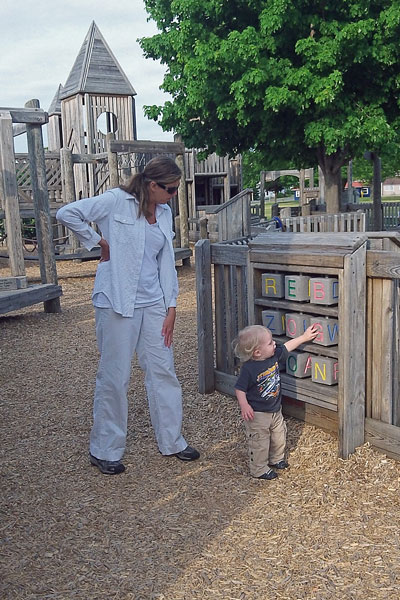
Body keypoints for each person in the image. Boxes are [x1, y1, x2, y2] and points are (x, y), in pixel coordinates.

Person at [56, 156, 199, 475]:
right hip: (116, 301)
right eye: (171, 189)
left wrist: (172, 306)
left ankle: (172, 440)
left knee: (163, 371)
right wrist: (97, 242)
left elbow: (165, 262)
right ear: (153, 185)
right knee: (115, 376)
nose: (174, 195)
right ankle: (104, 448)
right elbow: (68, 213)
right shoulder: (115, 201)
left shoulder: (163, 213)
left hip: (154, 304)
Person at [233, 324, 318, 480]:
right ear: (257, 352)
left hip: (275, 409)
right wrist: (244, 405)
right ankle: (259, 469)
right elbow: (240, 389)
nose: (275, 344)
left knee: (279, 435)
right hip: (257, 414)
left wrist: (304, 337)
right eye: (270, 343)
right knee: (260, 441)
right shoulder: (248, 369)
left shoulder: (272, 356)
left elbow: (287, 347)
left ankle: (276, 459)